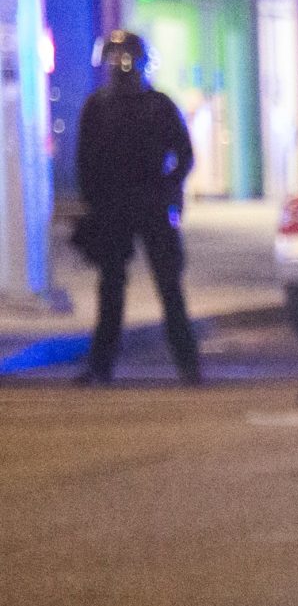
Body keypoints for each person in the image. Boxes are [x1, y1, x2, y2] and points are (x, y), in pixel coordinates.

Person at [72, 30, 201, 386]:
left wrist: (167, 189)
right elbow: (85, 162)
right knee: (111, 291)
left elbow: (185, 155)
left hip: (151, 206)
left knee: (168, 287)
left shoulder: (158, 106)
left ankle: (188, 365)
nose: (120, 68)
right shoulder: (97, 107)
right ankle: (102, 367)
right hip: (114, 208)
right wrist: (95, 204)